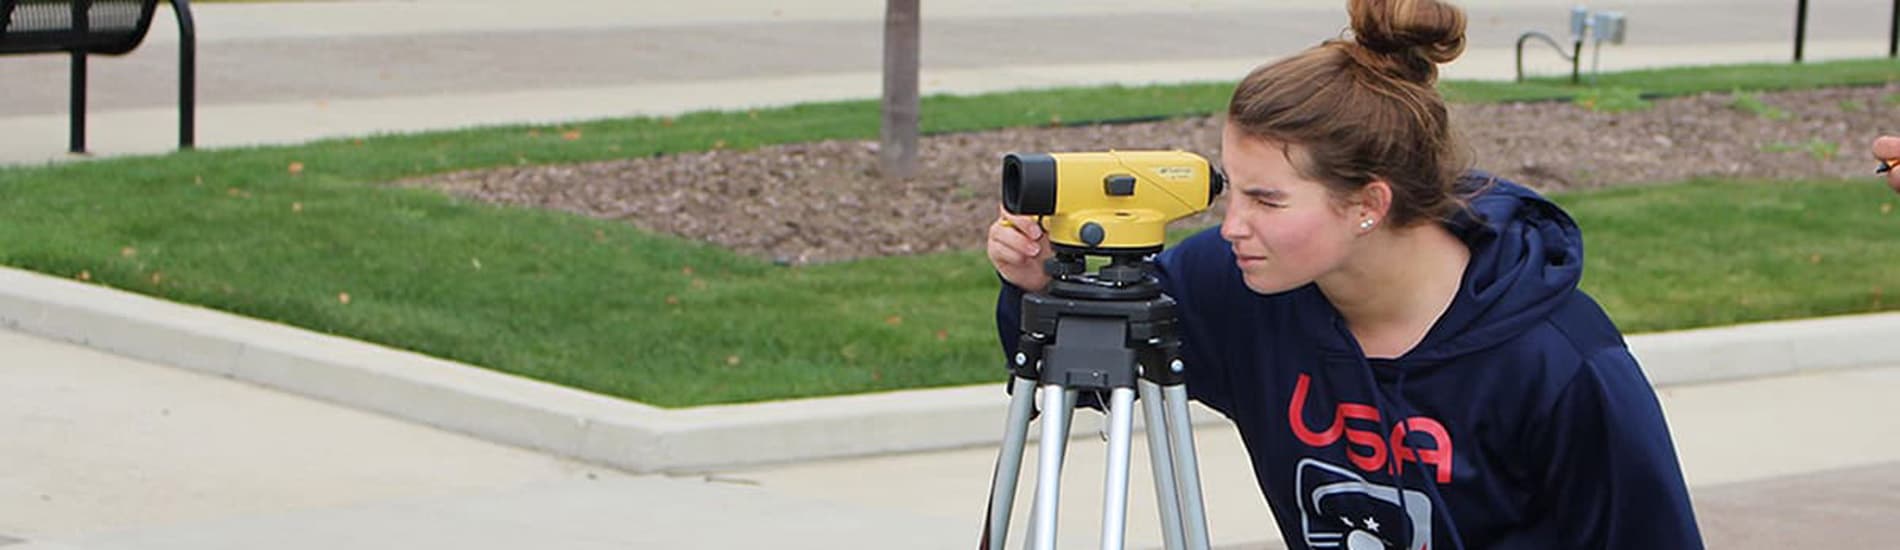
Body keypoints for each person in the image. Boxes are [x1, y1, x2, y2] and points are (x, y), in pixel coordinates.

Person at [986, 0, 1703, 547]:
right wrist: (1042, 283)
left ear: (1368, 204)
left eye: (1266, 199)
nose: (1232, 223)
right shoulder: (1240, 283)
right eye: (1230, 186)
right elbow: (1078, 364)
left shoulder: (1562, 364)